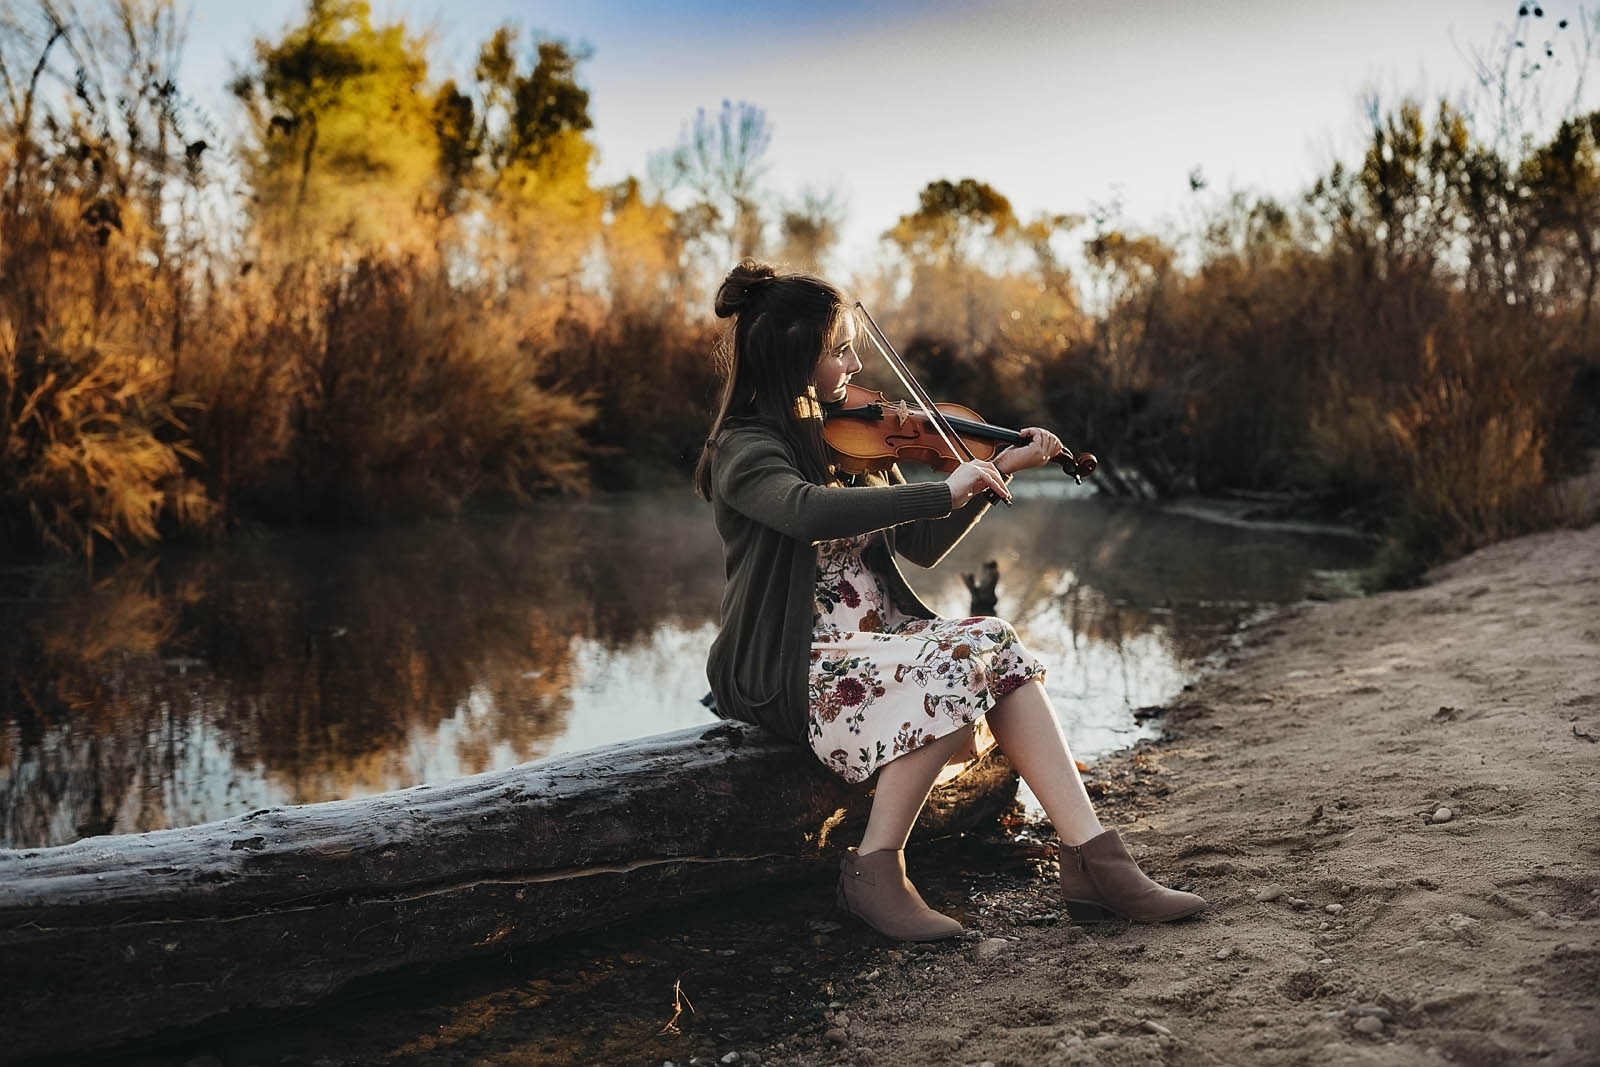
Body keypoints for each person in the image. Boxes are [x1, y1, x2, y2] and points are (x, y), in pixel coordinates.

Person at [696, 260, 1206, 941]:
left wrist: (994, 469)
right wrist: (946, 485)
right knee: (960, 657)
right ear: (792, 353)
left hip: (874, 646)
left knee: (992, 640)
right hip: (793, 663)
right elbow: (806, 512)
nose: (855, 359)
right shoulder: (746, 448)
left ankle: (1094, 860)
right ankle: (874, 869)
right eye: (840, 348)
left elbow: (922, 542)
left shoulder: (852, 437)